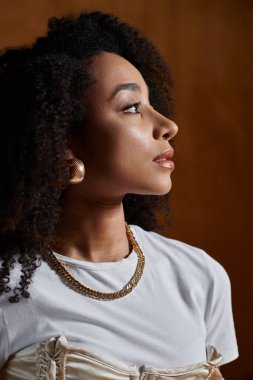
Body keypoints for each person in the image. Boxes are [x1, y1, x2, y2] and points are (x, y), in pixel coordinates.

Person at [0, 10, 238, 379]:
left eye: (152, 103)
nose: (168, 126)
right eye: (132, 108)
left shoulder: (199, 276)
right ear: (62, 145)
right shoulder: (7, 289)